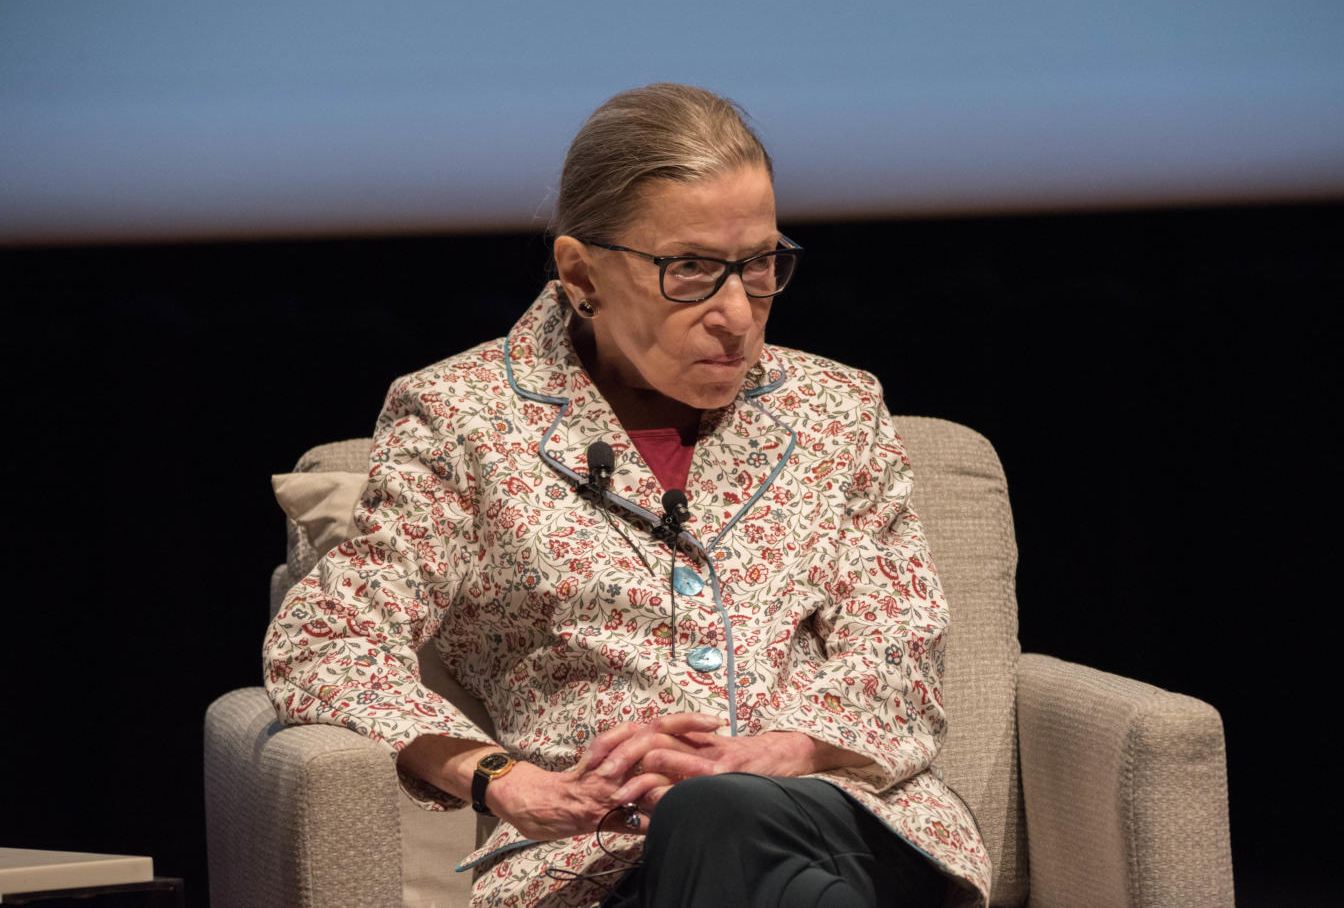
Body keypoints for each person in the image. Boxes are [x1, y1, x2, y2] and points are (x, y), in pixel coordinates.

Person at [264, 83, 991, 907]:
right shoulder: (463, 418)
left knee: (722, 813)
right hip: (600, 859)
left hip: (840, 821)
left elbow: (899, 647)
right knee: (718, 834)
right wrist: (501, 778)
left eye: (758, 265)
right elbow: (328, 642)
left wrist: (775, 752)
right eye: (689, 270)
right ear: (582, 273)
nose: (736, 314)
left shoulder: (835, 409)